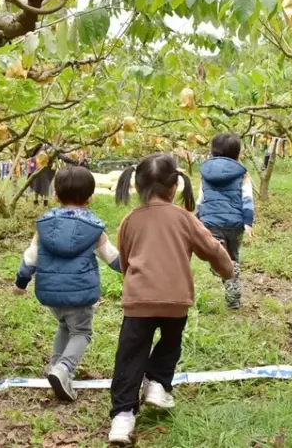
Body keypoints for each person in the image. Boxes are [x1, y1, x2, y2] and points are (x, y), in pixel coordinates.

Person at [107, 153, 233, 445]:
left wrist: (133, 283)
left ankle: (123, 417)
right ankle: (157, 383)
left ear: (137, 187)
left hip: (138, 301)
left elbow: (125, 261)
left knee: (130, 353)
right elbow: (211, 249)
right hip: (176, 301)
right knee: (170, 342)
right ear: (175, 187)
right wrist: (227, 271)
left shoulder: (129, 221)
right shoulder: (185, 218)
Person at [13, 166, 120, 402]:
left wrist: (21, 283)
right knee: (81, 331)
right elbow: (112, 258)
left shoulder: (44, 226)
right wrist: (135, 269)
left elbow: (30, 258)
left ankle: (55, 367)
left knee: (64, 325)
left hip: (50, 294)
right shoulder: (93, 229)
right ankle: (63, 369)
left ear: (55, 196)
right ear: (90, 198)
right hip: (79, 294)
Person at [196, 133, 254, 310]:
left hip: (211, 221)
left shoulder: (205, 173)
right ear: (237, 154)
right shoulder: (242, 173)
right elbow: (247, 198)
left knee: (217, 256)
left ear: (212, 152)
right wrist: (248, 222)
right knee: (233, 258)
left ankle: (219, 261)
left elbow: (201, 198)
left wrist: (195, 218)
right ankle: (233, 301)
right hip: (235, 224)